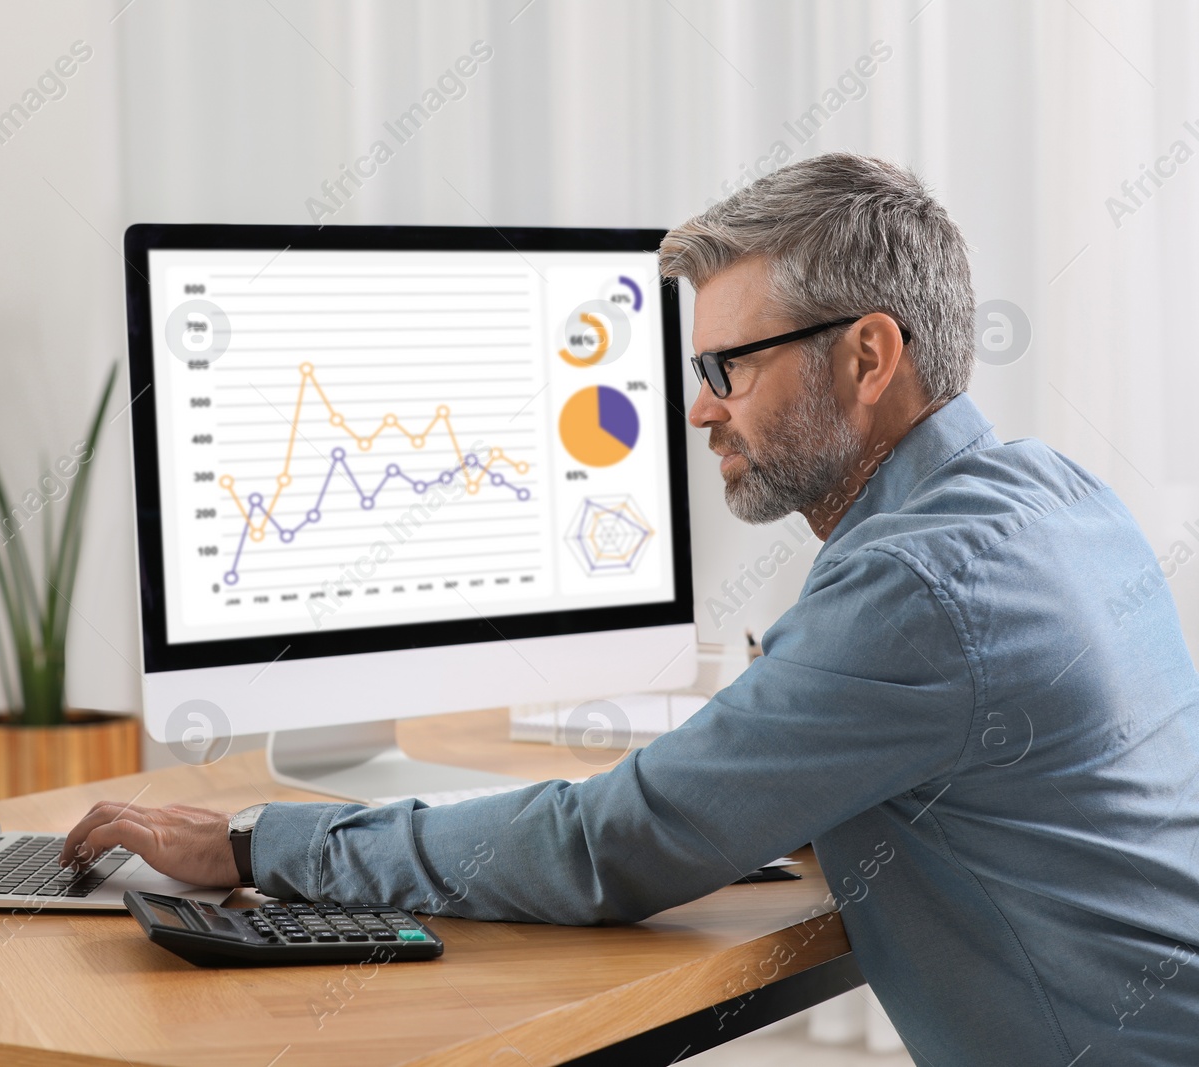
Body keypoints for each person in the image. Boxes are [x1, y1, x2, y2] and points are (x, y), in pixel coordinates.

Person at [60, 153, 1199, 1064]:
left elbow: (605, 849)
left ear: (868, 355)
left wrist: (262, 839)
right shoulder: (1049, 490)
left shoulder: (915, 585)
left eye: (729, 368)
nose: (700, 414)